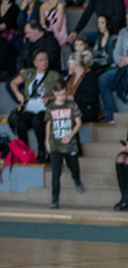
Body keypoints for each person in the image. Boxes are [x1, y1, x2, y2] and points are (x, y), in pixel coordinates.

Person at [8, 50, 61, 163]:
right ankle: (25, 151)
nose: (44, 62)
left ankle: (41, 150)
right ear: (35, 62)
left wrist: (50, 99)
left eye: (46, 59)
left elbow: (60, 93)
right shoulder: (29, 73)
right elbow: (13, 83)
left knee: (38, 121)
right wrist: (19, 95)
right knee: (21, 123)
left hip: (44, 107)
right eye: (41, 60)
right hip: (29, 107)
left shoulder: (54, 75)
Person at [45, 79, 84, 209]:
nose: (61, 97)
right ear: (54, 93)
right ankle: (54, 199)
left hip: (70, 144)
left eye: (63, 94)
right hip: (55, 143)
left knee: (74, 166)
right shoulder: (50, 107)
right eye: (59, 94)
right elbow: (48, 124)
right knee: (56, 172)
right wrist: (47, 141)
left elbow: (78, 123)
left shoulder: (71, 105)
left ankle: (76, 179)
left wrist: (70, 135)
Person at [66, 51, 100, 123]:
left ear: (76, 63)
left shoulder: (90, 76)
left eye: (70, 61)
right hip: (72, 108)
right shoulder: (69, 78)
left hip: (86, 109)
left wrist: (74, 97)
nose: (68, 63)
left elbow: (91, 96)